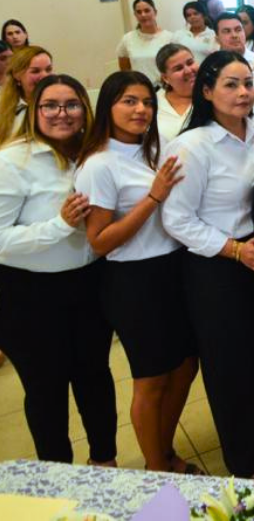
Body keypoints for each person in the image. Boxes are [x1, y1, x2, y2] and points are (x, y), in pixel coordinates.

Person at [161, 51, 254, 478]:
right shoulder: (192, 145)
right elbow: (177, 219)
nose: (242, 93)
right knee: (230, 363)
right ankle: (248, 459)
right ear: (207, 91)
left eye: (248, 83)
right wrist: (234, 250)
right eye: (231, 84)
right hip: (216, 266)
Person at [74, 72, 200, 475]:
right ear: (108, 106)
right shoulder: (99, 164)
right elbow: (101, 240)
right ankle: (156, 467)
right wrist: (154, 197)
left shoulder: (150, 151)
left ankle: (164, 450)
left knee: (185, 366)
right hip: (133, 280)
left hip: (172, 268)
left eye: (146, 101)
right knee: (151, 379)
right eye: (129, 101)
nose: (141, 109)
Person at [0, 75, 118, 467]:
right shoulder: (13, 160)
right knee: (46, 391)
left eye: (72, 104)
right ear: (34, 111)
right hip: (29, 295)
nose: (61, 113)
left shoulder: (92, 154)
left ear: (86, 111)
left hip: (88, 285)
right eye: (50, 105)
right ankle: (58, 474)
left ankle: (104, 462)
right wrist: (59, 226)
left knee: (95, 379)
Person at [0, 45, 53, 144]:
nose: (45, 76)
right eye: (35, 71)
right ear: (17, 75)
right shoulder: (4, 110)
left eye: (48, 69)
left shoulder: (61, 108)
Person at [117, 0, 173, 83]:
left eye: (147, 11)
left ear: (155, 12)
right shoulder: (127, 38)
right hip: (138, 88)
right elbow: (125, 69)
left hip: (164, 88)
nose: (143, 15)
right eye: (139, 12)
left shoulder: (169, 37)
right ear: (135, 15)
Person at [154, 44, 198, 144]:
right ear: (165, 78)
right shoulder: (153, 102)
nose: (188, 70)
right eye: (178, 68)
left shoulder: (213, 96)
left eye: (190, 63)